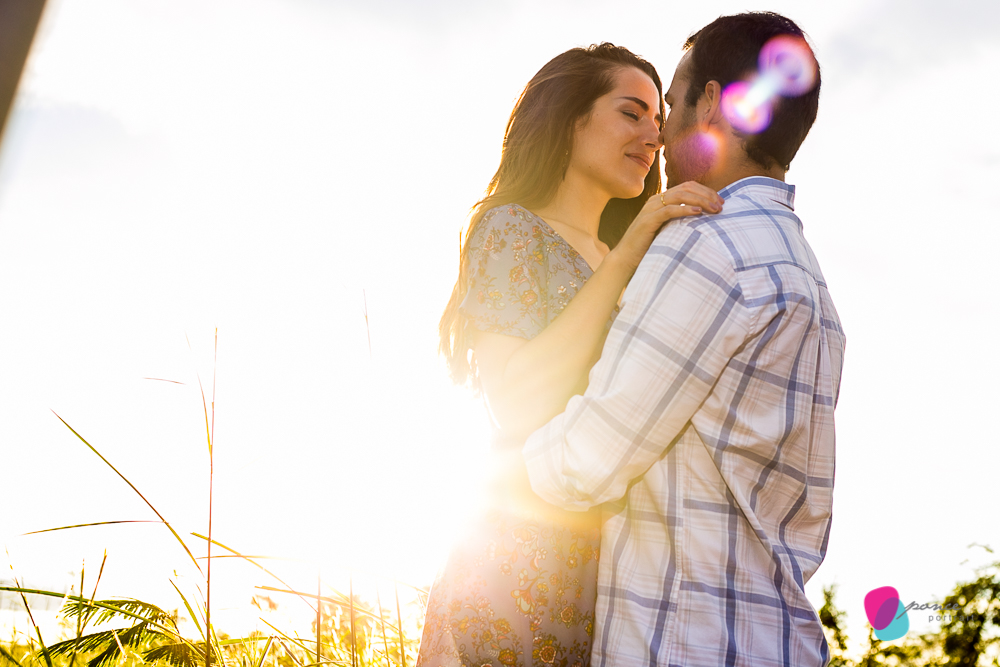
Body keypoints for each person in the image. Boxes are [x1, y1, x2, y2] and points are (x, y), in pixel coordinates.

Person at [523, 12, 845, 667]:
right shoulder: (806, 274)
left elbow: (585, 462)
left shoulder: (706, 244)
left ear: (712, 103)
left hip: (686, 645)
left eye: (670, 106)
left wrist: (498, 464)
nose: (662, 134)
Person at [417, 44, 723, 667]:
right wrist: (630, 250)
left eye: (658, 121)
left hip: (612, 569)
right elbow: (516, 402)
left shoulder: (635, 257)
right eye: (630, 113)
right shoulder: (510, 228)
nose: (653, 137)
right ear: (570, 118)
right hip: (516, 559)